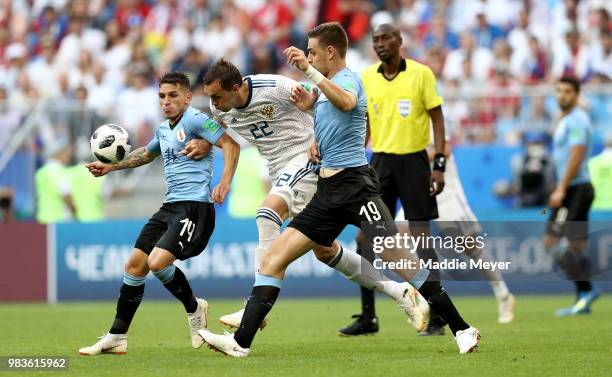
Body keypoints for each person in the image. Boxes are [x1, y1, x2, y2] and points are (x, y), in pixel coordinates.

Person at [199, 22, 480, 357]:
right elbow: (322, 114)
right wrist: (312, 121)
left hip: (357, 186)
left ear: (330, 52)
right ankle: (241, 342)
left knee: (399, 258)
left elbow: (346, 103)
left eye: (313, 52)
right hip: (328, 190)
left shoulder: (349, 79)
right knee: (275, 258)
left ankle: (462, 328)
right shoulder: (323, 87)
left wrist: (308, 74)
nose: (310, 58)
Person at [184, 59, 423, 332]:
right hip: (280, 170)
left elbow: (325, 103)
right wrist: (206, 144)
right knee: (325, 250)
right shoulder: (221, 106)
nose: (212, 102)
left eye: (217, 95)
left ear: (236, 87)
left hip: (305, 159)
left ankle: (256, 306)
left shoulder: (276, 86)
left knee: (266, 214)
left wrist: (318, 139)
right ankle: (398, 292)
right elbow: (223, 130)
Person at [78, 72, 240, 355]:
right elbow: (146, 154)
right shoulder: (164, 130)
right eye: (162, 96)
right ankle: (117, 336)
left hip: (195, 206)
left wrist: (224, 181)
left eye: (173, 95)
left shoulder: (195, 120)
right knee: (134, 265)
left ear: (188, 97)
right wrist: (110, 167)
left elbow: (230, 144)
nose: (166, 102)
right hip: (170, 207)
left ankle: (194, 308)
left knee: (157, 262)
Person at [345, 23, 447, 336]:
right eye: (375, 39)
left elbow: (437, 119)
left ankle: (440, 314)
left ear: (400, 41)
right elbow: (362, 122)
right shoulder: (366, 77)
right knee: (365, 238)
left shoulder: (421, 73)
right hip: (380, 164)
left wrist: (439, 163)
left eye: (386, 38)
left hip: (415, 161)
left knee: (421, 238)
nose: (380, 44)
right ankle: (368, 317)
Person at [544, 76, 600, 317]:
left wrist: (561, 188)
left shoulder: (577, 119)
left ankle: (585, 290)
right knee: (577, 245)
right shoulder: (568, 119)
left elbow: (576, 154)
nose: (561, 96)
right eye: (558, 91)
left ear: (576, 95)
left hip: (575, 189)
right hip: (577, 187)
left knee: (552, 242)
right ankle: (583, 298)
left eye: (567, 91)